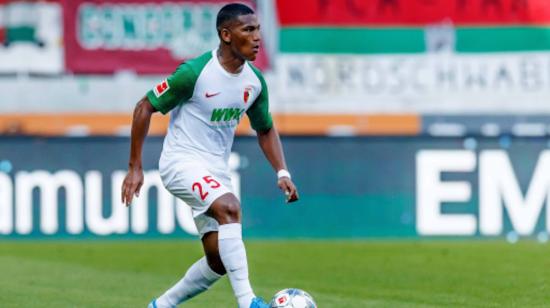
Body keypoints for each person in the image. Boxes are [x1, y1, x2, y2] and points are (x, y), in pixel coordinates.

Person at [121, 3, 299, 308]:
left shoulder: (254, 83)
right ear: (226, 35)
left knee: (218, 261)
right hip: (180, 162)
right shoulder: (194, 73)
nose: (258, 37)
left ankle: (160, 305)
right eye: (249, 30)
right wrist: (135, 167)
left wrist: (282, 171)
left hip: (216, 171)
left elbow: (265, 128)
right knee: (229, 207)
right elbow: (144, 106)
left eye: (258, 29)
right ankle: (249, 303)